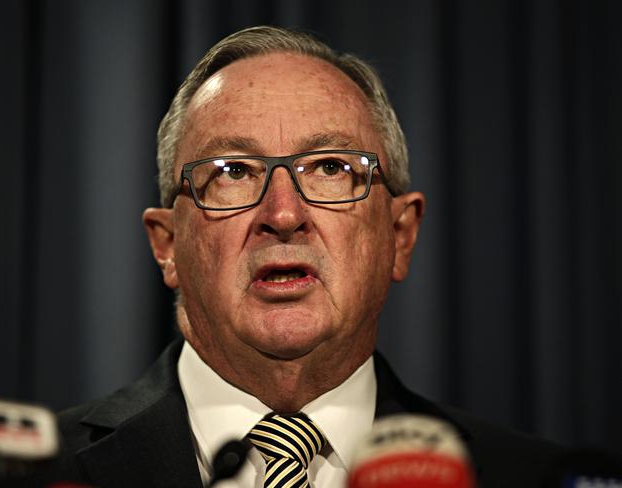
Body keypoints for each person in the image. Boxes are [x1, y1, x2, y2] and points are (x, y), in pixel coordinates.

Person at [36, 26, 566, 487]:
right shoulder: (26, 475)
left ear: (400, 236)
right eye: (233, 172)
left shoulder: (529, 478)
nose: (284, 213)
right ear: (167, 245)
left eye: (332, 168)